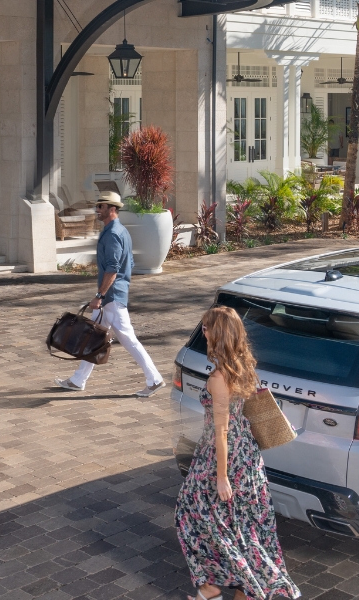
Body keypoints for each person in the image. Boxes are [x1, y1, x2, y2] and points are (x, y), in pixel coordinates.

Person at [174, 306, 299, 600]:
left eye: (206, 328)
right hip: (248, 457)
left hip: (223, 456)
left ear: (218, 334)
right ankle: (230, 590)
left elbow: (221, 430)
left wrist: (221, 477)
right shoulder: (244, 365)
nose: (202, 332)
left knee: (188, 513)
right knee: (241, 527)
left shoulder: (219, 376)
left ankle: (210, 589)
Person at [53, 192, 165, 397]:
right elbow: (129, 263)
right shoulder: (120, 231)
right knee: (95, 338)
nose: (97, 210)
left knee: (124, 340)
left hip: (111, 298)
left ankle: (154, 379)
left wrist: (100, 295)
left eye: (101, 206)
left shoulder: (113, 234)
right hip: (114, 296)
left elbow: (113, 269)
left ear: (111, 209)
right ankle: (78, 380)